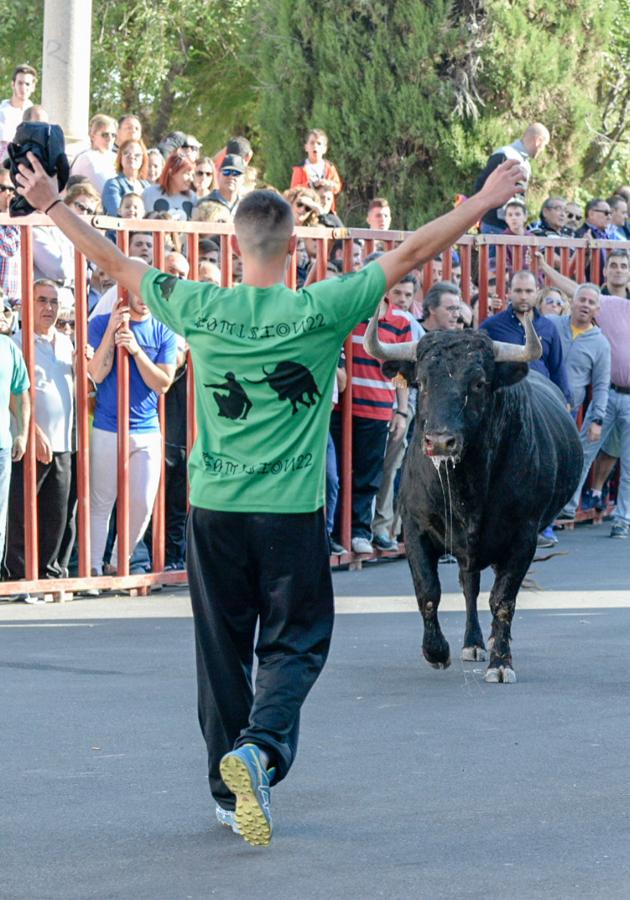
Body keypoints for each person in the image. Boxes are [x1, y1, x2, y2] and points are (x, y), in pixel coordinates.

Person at [15, 148, 524, 846]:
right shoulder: (321, 307)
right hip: (289, 514)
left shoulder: (201, 303)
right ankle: (260, 749)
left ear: (235, 244)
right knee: (298, 642)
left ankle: (229, 795)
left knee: (222, 651)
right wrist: (482, 199)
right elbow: (410, 253)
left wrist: (48, 202)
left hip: (216, 511)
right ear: (293, 248)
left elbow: (112, 260)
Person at [536, 255, 630, 537]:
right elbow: (575, 290)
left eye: (623, 266)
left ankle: (623, 519)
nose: (618, 270)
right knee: (581, 452)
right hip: (610, 393)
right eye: (614, 265)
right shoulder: (610, 304)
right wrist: (545, 268)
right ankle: (565, 506)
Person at [87, 287, 176, 575]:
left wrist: (136, 351)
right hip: (107, 426)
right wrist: (112, 334)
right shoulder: (100, 323)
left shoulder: (164, 329)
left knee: (142, 504)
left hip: (147, 428)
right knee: (101, 502)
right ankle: (92, 570)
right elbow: (96, 373)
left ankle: (118, 563)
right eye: (138, 291)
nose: (145, 298)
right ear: (124, 292)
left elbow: (163, 383)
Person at [5, 280, 74, 581]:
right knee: (20, 513)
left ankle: (48, 574)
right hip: (29, 439)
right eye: (42, 300)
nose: (49, 307)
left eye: (54, 302)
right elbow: (13, 392)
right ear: (27, 306)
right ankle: (19, 575)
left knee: (57, 514)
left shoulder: (68, 342)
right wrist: (30, 430)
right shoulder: (17, 342)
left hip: (63, 439)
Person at [480, 269, 572, 405]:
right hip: (505, 404)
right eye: (518, 291)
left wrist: (565, 400)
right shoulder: (491, 326)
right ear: (509, 292)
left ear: (537, 291)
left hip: (542, 401)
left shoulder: (548, 327)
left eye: (528, 291)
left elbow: (556, 367)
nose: (523, 296)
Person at [33, 183, 101, 309]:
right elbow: (59, 269)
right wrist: (77, 275)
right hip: (45, 306)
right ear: (66, 204)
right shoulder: (43, 227)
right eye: (81, 207)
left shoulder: (85, 239)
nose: (84, 214)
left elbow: (95, 276)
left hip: (71, 306)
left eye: (90, 211)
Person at [474, 122, 550, 234]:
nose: (542, 150)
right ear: (538, 141)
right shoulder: (505, 154)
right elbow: (481, 187)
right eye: (544, 145)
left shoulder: (526, 164)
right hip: (494, 225)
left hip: (512, 228)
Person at [0, 305, 29, 577]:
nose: (2, 315)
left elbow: (22, 392)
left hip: (2, 444)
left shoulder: (9, 347)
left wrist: (22, 432)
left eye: (4, 310)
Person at [290, 128, 342, 210]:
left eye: (319, 143)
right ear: (306, 147)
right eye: (312, 143)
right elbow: (293, 191)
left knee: (337, 223)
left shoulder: (330, 167)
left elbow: (337, 187)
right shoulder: (300, 169)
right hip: (307, 210)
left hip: (327, 209)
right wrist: (312, 185)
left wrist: (328, 184)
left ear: (324, 149)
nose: (315, 146)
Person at [142, 151, 196, 220]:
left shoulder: (193, 198)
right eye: (187, 174)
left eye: (192, 175)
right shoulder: (149, 194)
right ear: (171, 172)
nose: (191, 179)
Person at [70, 114, 117, 193]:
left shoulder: (115, 157)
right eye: (105, 135)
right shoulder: (87, 158)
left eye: (113, 135)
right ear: (92, 136)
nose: (110, 138)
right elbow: (103, 189)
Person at [101, 140, 149, 216]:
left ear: (143, 159)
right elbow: (118, 215)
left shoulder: (147, 186)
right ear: (120, 158)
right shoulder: (113, 185)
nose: (132, 157)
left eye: (137, 155)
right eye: (126, 153)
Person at [0, 64, 37, 153]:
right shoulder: (2, 112)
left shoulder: (36, 114)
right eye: (20, 83)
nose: (23, 88)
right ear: (13, 84)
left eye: (27, 84)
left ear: (33, 87)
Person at [0, 167, 20, 304]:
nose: (9, 194)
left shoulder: (16, 222)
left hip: (12, 303)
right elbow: (9, 248)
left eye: (13, 190)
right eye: (3, 188)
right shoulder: (15, 222)